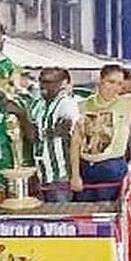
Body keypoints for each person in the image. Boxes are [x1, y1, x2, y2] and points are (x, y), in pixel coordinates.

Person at [69, 64, 131, 201]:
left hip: (112, 166)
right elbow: (75, 142)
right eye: (111, 82)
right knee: (82, 212)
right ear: (100, 81)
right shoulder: (82, 106)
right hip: (86, 166)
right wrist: (75, 174)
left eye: (119, 84)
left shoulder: (127, 102)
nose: (115, 87)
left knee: (105, 212)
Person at [30, 67, 81, 202]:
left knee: (60, 217)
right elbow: (34, 134)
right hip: (41, 174)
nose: (43, 85)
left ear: (63, 84)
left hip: (61, 175)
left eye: (49, 82)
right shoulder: (38, 105)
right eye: (41, 81)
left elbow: (69, 134)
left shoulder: (67, 104)